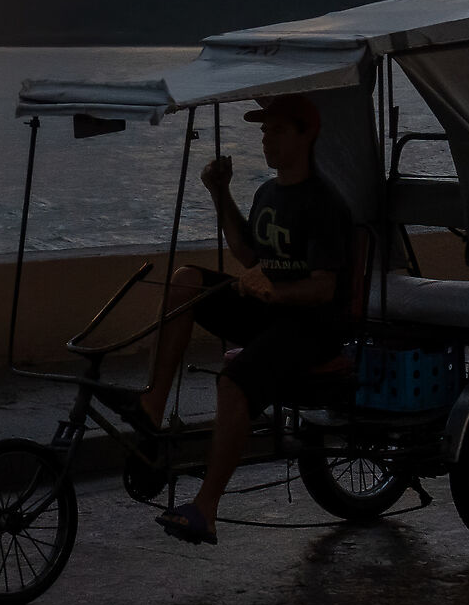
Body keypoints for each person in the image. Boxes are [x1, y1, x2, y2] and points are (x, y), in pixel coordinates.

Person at [125, 91, 367, 545]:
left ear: (307, 134)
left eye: (277, 130)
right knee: (186, 280)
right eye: (263, 130)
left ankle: (205, 509)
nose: (265, 139)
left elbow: (324, 288)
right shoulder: (267, 192)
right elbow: (247, 252)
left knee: (232, 382)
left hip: (313, 327)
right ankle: (152, 407)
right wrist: (220, 194)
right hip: (271, 312)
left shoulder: (324, 203)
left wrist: (275, 290)